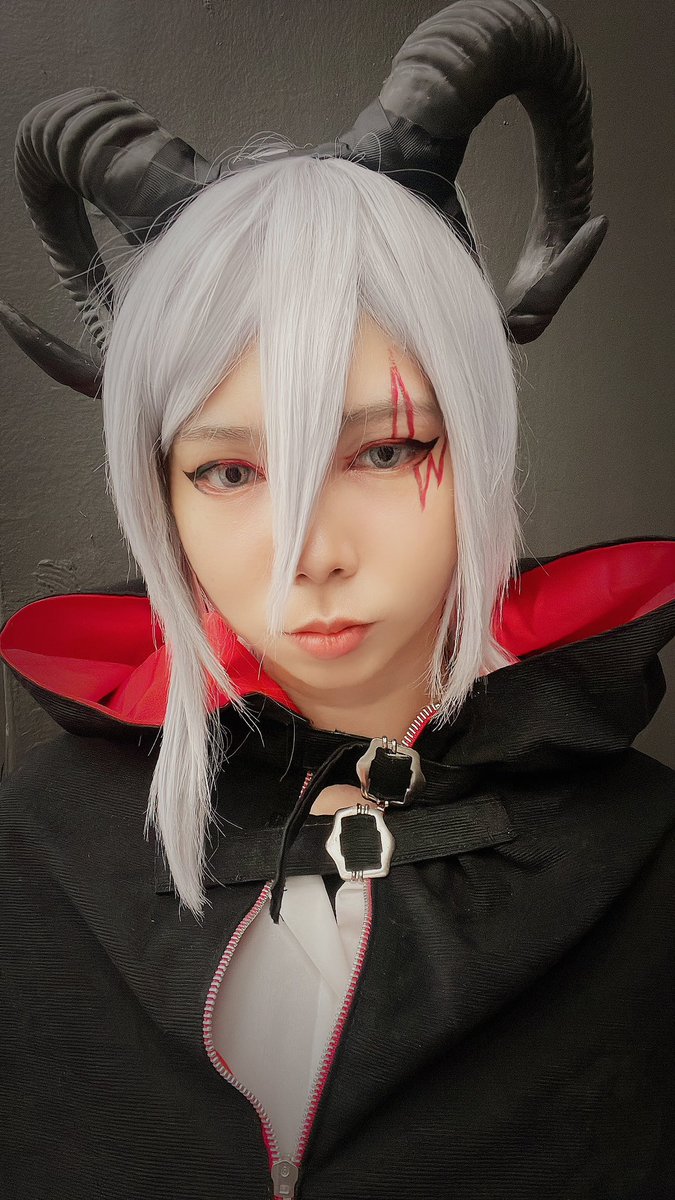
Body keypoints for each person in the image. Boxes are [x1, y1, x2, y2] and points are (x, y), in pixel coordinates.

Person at [1, 2, 673, 1197]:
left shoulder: (650, 860)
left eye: (385, 449)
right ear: (160, 490)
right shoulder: (32, 847)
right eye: (228, 470)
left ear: (480, 438)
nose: (305, 554)